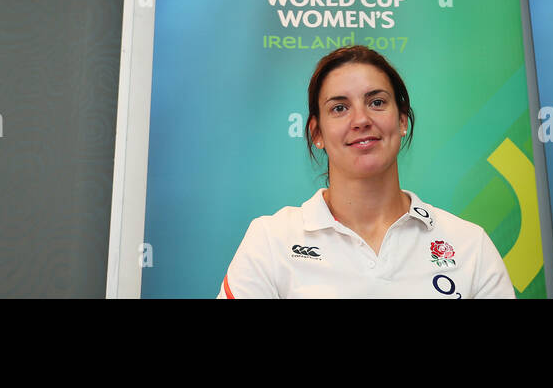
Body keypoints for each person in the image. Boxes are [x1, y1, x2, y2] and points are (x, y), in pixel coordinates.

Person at [218, 45, 516, 298]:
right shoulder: (271, 242)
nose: (361, 119)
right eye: (339, 108)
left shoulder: (468, 245)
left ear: (402, 121)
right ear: (316, 133)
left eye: (376, 102)